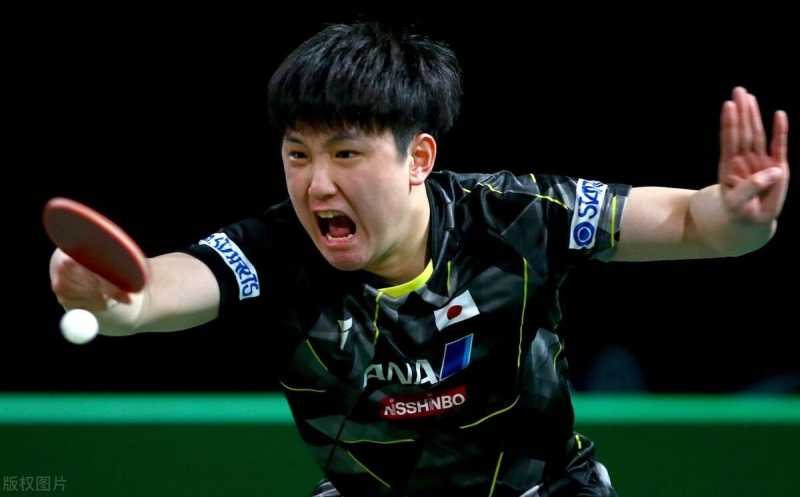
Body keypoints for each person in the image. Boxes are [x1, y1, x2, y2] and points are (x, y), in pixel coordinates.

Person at [49, 22, 790, 497]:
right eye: (298, 155)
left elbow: (695, 224)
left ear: (418, 158)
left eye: (345, 154)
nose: (317, 184)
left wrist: (737, 216)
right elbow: (167, 287)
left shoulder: (516, 216)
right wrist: (117, 298)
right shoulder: (276, 249)